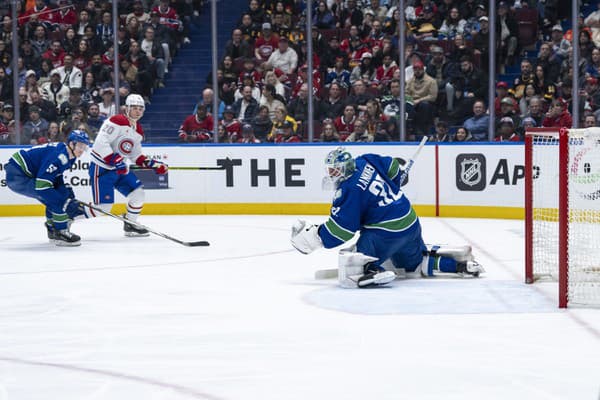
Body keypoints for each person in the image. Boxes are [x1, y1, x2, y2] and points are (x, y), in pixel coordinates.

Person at [290, 147, 484, 288]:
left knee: (358, 257)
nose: (331, 174)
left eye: (334, 170)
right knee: (414, 267)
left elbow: (342, 229)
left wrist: (317, 236)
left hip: (387, 233)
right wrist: (399, 176)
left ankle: (372, 270)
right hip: (410, 223)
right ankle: (461, 266)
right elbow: (392, 166)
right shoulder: (365, 160)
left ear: (343, 168)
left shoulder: (349, 189)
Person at [88, 94, 168, 237]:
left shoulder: (138, 130)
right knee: (103, 207)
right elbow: (100, 142)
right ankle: (67, 217)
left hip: (119, 170)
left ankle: (131, 224)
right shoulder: (117, 120)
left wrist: (153, 164)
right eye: (135, 108)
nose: (138, 111)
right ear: (128, 108)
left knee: (138, 194)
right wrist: (115, 160)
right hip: (102, 168)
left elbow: (135, 155)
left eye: (141, 109)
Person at [3, 130, 91, 246]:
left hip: (26, 173)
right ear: (71, 144)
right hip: (18, 175)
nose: (82, 149)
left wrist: (65, 193)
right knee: (55, 199)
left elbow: (56, 176)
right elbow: (42, 186)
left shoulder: (69, 155)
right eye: (80, 145)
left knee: (62, 194)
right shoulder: (59, 156)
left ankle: (52, 228)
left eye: (84, 146)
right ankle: (60, 231)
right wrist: (65, 203)